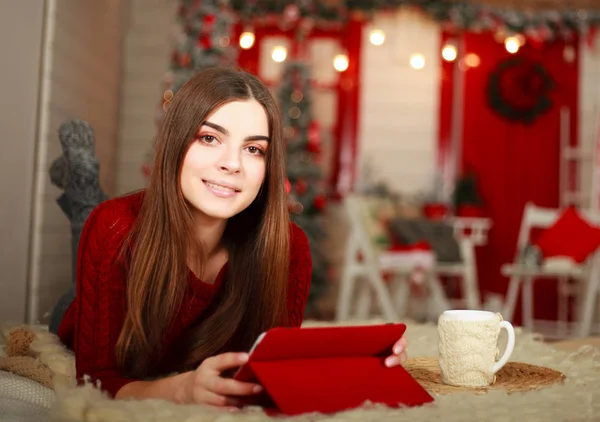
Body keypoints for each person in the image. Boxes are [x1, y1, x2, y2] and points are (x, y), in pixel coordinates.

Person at [56, 67, 408, 410]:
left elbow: (272, 369)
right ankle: (81, 194)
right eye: (210, 138)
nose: (232, 164)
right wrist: (182, 389)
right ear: (177, 143)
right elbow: (96, 381)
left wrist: (361, 362)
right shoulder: (115, 228)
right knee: (91, 221)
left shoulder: (288, 248)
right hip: (82, 301)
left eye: (253, 149)